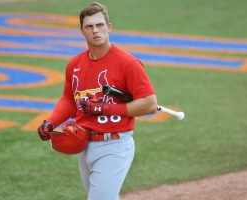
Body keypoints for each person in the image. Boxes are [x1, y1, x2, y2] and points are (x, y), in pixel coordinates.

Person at [37, 2, 157, 200]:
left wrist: (105, 108)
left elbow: (150, 104)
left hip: (114, 145)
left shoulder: (128, 64)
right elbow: (69, 99)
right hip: (82, 144)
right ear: (82, 31)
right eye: (89, 26)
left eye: (100, 25)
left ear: (109, 27)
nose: (95, 31)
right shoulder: (74, 65)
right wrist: (51, 121)